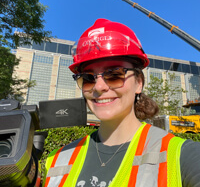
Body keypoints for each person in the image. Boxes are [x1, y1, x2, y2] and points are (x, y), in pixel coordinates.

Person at [43, 19, 200, 187]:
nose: (99, 86)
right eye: (88, 78)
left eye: (114, 74)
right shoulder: (56, 160)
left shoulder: (183, 155)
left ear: (139, 82)